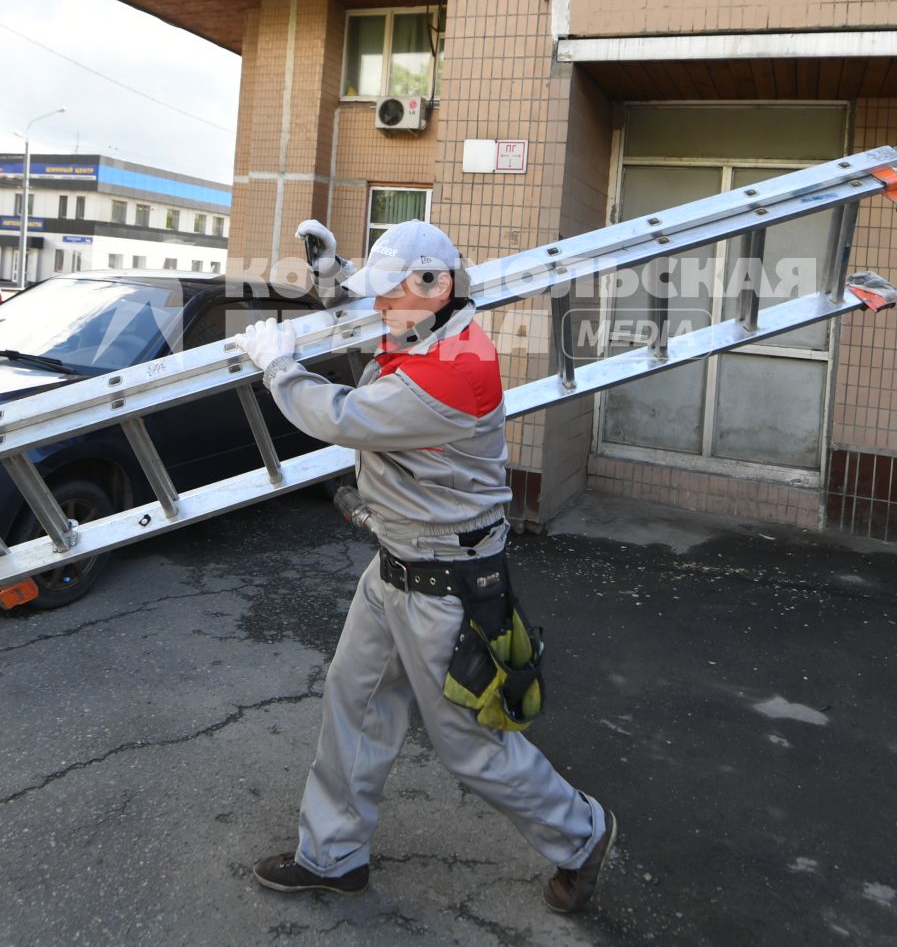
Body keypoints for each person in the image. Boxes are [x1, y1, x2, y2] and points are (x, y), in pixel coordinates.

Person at [234, 218, 616, 915]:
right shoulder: (433, 326)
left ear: (433, 285)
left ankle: (582, 834)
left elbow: (345, 414)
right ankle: (333, 855)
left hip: (449, 590)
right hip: (396, 569)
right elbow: (380, 326)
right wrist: (333, 281)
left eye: (389, 292)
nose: (379, 306)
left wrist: (277, 365)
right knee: (353, 701)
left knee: (473, 747)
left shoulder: (455, 371)